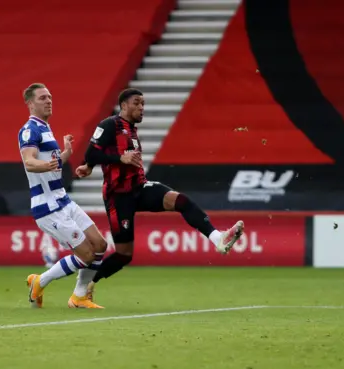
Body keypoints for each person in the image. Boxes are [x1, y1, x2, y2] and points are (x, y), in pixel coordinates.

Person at [75, 88, 244, 298]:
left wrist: (90, 165)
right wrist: (112, 160)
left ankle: (218, 238)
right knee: (124, 254)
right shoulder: (110, 124)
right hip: (118, 197)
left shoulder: (132, 129)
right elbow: (92, 151)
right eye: (137, 103)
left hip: (140, 187)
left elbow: (98, 156)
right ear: (124, 105)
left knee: (181, 200)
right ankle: (88, 284)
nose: (141, 108)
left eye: (143, 104)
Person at [18, 83, 108, 309]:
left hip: (63, 201)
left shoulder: (45, 128)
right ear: (30, 103)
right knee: (86, 255)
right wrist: (46, 164)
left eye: (49, 97)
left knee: (100, 244)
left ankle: (79, 297)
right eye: (42, 98)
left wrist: (65, 152)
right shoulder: (30, 130)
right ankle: (41, 281)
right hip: (47, 207)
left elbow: (54, 164)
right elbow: (29, 162)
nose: (48, 101)